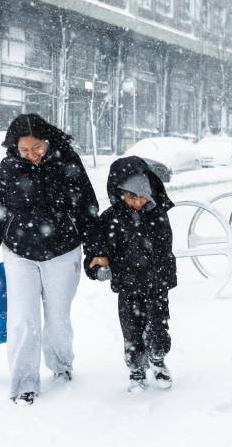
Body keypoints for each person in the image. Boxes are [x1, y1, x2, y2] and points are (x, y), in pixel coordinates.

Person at [0, 113, 104, 405]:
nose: (31, 156)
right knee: (22, 320)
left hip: (62, 250)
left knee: (57, 318)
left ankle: (61, 366)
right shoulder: (10, 166)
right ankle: (24, 382)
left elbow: (87, 209)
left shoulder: (67, 162)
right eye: (24, 151)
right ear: (14, 148)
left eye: (37, 149)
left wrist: (97, 251)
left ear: (47, 141)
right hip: (19, 252)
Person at [87, 155, 177, 392]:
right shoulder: (109, 219)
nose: (137, 202)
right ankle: (136, 370)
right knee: (132, 329)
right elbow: (97, 248)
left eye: (141, 196)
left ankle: (158, 361)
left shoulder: (157, 214)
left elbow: (164, 247)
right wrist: (98, 266)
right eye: (131, 196)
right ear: (119, 193)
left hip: (156, 284)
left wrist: (164, 275)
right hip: (128, 285)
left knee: (158, 326)